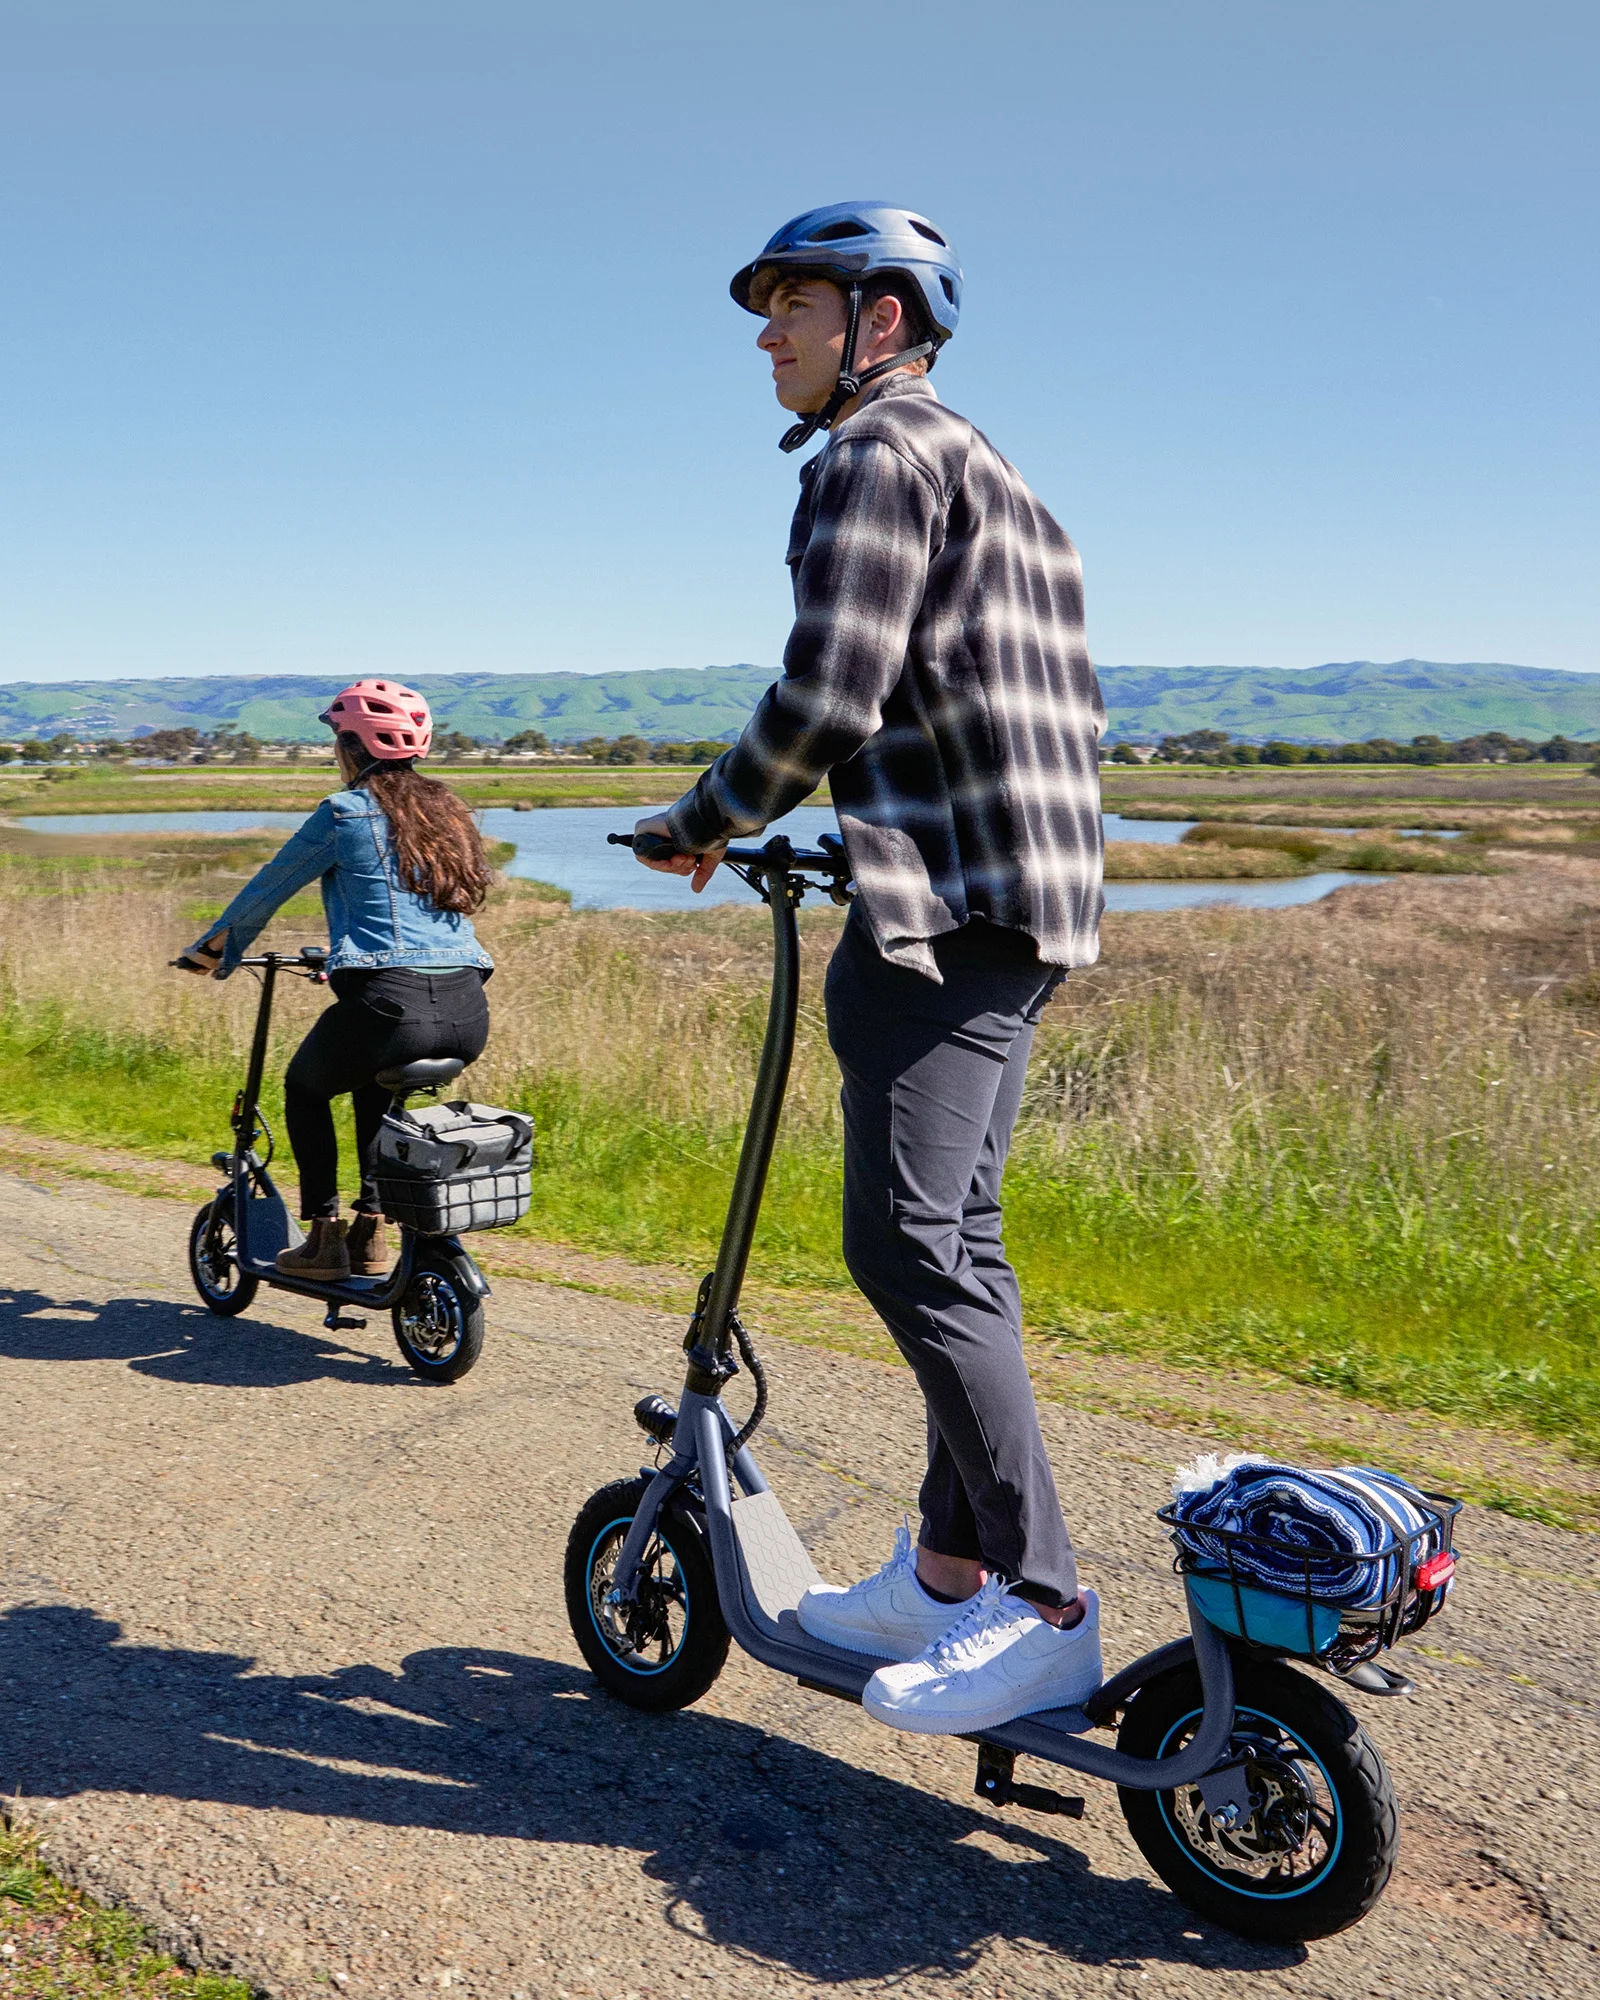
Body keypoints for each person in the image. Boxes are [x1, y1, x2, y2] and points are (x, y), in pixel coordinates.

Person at [633, 204, 1108, 1736]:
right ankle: (949, 1568)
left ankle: (1045, 1606)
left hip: (938, 921)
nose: (766, 334)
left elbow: (834, 687)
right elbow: (968, 697)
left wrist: (705, 820)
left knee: (909, 1249)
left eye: (792, 305)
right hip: (1022, 906)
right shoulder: (1003, 478)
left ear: (881, 321)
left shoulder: (875, 454)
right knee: (958, 1239)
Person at [176, 680, 494, 1280]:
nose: (334, 753)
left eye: (336, 740)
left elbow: (270, 886)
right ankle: (372, 1234)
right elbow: (415, 914)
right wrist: (345, 957)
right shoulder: (448, 812)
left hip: (389, 1004)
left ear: (353, 746)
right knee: (373, 1084)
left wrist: (212, 950)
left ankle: (322, 1239)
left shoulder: (344, 812)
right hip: (466, 1009)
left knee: (306, 1086)